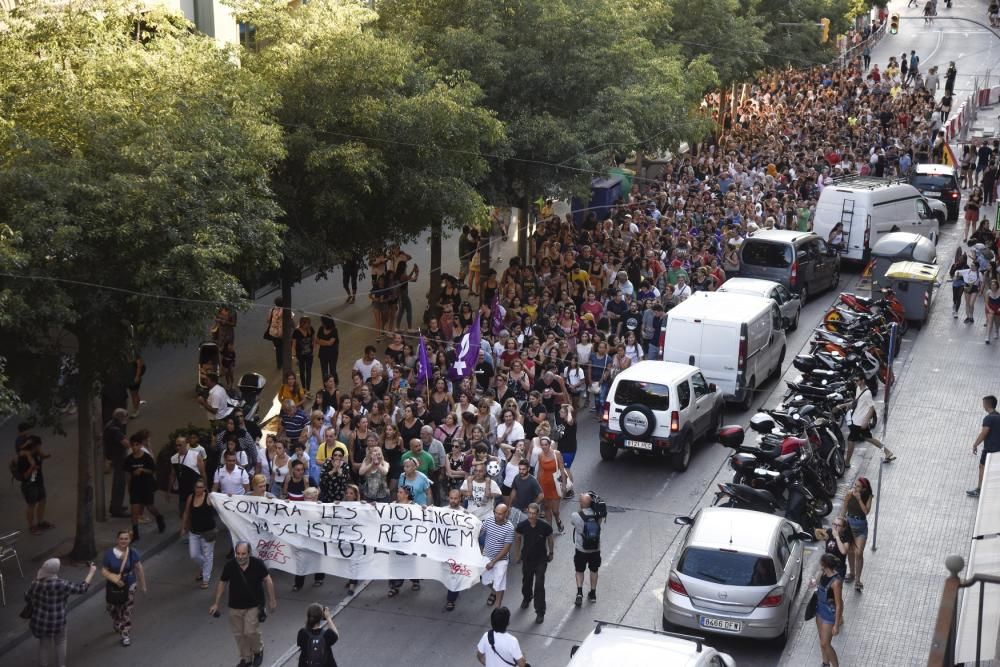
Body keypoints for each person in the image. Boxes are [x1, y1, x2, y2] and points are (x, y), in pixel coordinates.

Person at [209, 541, 278, 667]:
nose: (240, 556)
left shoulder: (257, 564)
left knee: (250, 631)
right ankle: (246, 658)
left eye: (243, 554)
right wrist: (216, 603)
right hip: (235, 606)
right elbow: (222, 582)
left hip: (254, 605)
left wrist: (272, 600)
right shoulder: (230, 566)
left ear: (249, 553)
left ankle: (258, 651)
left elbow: (267, 580)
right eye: (238, 553)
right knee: (239, 634)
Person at [24, 557, 97, 667]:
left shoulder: (35, 583)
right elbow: (82, 588)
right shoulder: (63, 584)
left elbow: (27, 597)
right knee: (61, 642)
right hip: (58, 620)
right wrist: (91, 572)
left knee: (44, 645)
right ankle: (61, 665)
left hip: (41, 621)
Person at [101, 530, 147, 647]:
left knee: (126, 609)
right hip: (113, 585)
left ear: (129, 540)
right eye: (121, 538)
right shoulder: (109, 554)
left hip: (130, 584)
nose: (123, 541)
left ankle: (125, 633)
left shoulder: (132, 553)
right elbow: (104, 570)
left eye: (126, 539)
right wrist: (114, 579)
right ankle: (117, 621)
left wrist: (143, 585)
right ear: (117, 540)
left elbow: (139, 568)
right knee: (111, 607)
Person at [513, 502, 554, 624]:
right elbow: (518, 538)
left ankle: (540, 611)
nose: (531, 516)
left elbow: (550, 539)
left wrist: (551, 553)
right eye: (529, 513)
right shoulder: (522, 526)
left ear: (538, 514)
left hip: (541, 559)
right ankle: (527, 597)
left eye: (533, 513)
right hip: (527, 559)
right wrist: (517, 554)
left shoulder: (545, 526)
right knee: (527, 580)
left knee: (539, 585)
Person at [844, 374, 895, 467]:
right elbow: (856, 402)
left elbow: (871, 408)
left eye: (857, 380)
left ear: (863, 380)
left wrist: (865, 421)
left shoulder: (867, 393)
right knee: (869, 439)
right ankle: (888, 452)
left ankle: (847, 462)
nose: (856, 382)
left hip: (859, 422)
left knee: (851, 440)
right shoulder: (858, 389)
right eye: (855, 380)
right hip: (856, 419)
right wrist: (842, 406)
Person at [123, 433, 165, 541]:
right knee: (134, 511)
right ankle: (135, 533)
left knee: (150, 506)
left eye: (137, 445)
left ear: (141, 445)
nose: (135, 447)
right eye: (133, 445)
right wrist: (129, 488)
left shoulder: (146, 458)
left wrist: (142, 470)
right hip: (135, 487)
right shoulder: (129, 460)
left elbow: (152, 470)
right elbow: (128, 475)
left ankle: (159, 517)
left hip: (146, 485)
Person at [181, 479, 217, 589]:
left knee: (208, 556)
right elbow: (186, 512)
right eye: (197, 487)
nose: (199, 489)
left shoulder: (209, 498)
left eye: (201, 487)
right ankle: (205, 568)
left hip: (208, 532)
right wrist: (183, 527)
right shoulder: (191, 497)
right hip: (194, 532)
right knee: (194, 555)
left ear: (205, 488)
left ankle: (206, 578)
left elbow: (223, 504)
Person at [840, 477, 872, 592]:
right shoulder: (849, 494)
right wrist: (840, 520)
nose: (855, 488)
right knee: (850, 551)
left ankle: (858, 580)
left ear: (863, 488)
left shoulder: (868, 496)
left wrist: (859, 500)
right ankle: (852, 573)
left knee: (859, 552)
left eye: (858, 486)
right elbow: (844, 509)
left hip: (861, 527)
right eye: (855, 485)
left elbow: (866, 512)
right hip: (849, 525)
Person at [812, 553, 844, 667]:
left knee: (826, 643)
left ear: (825, 564)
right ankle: (825, 663)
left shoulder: (836, 582)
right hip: (820, 610)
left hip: (829, 614)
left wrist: (836, 624)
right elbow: (815, 583)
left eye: (821, 562)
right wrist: (814, 581)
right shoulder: (823, 573)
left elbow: (839, 604)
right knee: (822, 641)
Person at [15, 435, 52, 535]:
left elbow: (42, 458)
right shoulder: (23, 458)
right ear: (34, 446)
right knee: (31, 505)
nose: (40, 448)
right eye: (39, 446)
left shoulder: (35, 454)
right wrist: (32, 467)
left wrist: (44, 456)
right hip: (29, 485)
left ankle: (40, 522)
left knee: (42, 501)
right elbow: (24, 476)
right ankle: (32, 526)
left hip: (39, 481)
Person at [571, 492, 603, 606]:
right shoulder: (598, 515)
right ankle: (593, 593)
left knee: (579, 570)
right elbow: (600, 523)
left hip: (581, 549)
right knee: (594, 570)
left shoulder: (576, 515)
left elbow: (573, 523)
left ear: (580, 503)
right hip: (595, 549)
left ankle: (579, 592)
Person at [481, 504, 515, 609]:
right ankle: (494, 591)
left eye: (500, 514)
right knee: (485, 580)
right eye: (496, 513)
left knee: (499, 583)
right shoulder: (489, 521)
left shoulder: (510, 528)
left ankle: (497, 607)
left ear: (506, 514)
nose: (497, 515)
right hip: (486, 556)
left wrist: (493, 562)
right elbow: (480, 532)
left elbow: (506, 548)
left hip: (501, 560)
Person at [968, 395, 1000, 497]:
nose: (983, 406)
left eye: (983, 404)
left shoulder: (988, 418)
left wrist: (975, 444)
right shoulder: (998, 416)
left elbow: (984, 433)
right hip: (998, 448)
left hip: (989, 448)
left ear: (987, 404)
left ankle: (979, 489)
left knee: (982, 467)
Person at [103, 408, 131, 518]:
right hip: (118, 458)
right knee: (120, 483)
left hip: (114, 456)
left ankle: (115, 505)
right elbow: (126, 443)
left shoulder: (111, 424)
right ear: (121, 418)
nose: (127, 419)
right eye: (126, 417)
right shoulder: (115, 429)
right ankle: (116, 509)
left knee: (117, 482)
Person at [170, 434, 206, 517]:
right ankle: (186, 529)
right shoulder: (173, 458)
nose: (178, 447)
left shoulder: (195, 455)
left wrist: (205, 487)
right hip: (183, 490)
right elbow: (172, 474)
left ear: (186, 444)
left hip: (195, 489)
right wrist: (169, 489)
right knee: (183, 513)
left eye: (180, 445)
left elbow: (203, 473)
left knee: (196, 512)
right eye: (176, 445)